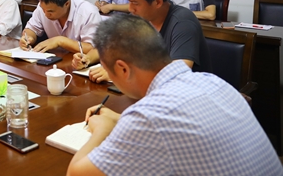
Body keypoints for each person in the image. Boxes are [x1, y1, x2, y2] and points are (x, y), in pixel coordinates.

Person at [67, 15, 282, 176]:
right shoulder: (212, 81)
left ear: (123, 69)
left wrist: (102, 129)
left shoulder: (149, 116)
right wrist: (118, 119)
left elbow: (76, 173)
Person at [74, 0, 211, 82]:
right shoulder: (140, 18)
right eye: (129, 2)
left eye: (135, 3)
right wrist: (87, 59)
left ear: (157, 2)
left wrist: (119, 74)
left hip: (187, 94)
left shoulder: (183, 22)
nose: (130, 9)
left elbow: (178, 73)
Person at [20, 0, 100, 54]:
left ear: (67, 4)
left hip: (78, 60)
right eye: (43, 9)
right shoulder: (43, 7)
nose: (46, 14)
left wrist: (60, 41)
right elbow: (31, 29)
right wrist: (28, 38)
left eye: (50, 11)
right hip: (53, 58)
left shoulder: (88, 13)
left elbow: (93, 49)